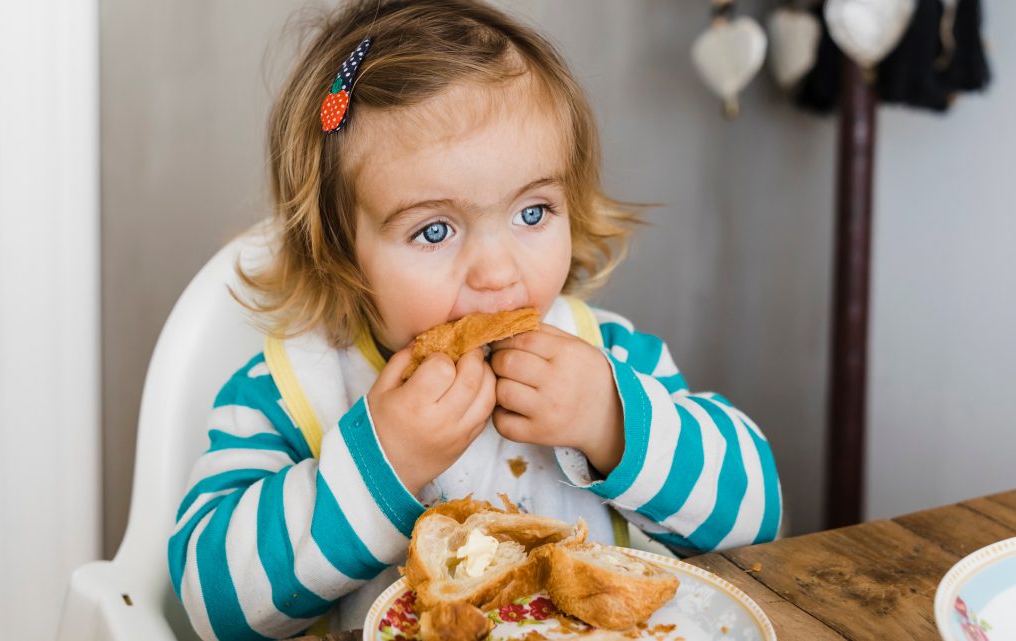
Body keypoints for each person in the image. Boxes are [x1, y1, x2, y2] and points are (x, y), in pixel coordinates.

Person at [168, 1, 782, 638]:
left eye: (534, 212)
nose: (497, 272)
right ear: (343, 255)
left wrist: (613, 423)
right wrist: (384, 465)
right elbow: (211, 607)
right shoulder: (285, 393)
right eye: (434, 229)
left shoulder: (610, 358)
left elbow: (759, 518)